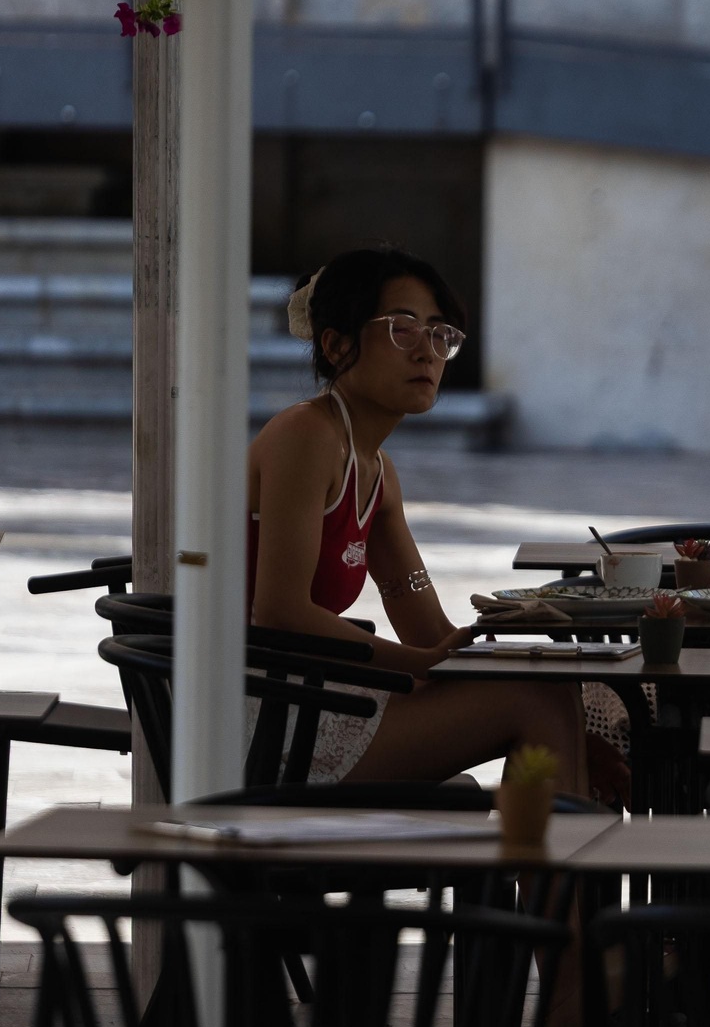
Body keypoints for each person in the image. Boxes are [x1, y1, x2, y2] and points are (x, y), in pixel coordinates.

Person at [246, 246, 591, 793]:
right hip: (260, 717)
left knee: (553, 695)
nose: (427, 352)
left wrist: (498, 636)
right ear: (336, 346)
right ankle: (562, 876)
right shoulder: (305, 436)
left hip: (314, 694)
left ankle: (561, 871)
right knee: (537, 703)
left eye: (439, 335)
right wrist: (418, 664)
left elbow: (428, 629)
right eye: (402, 330)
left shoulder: (377, 474)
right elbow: (280, 611)